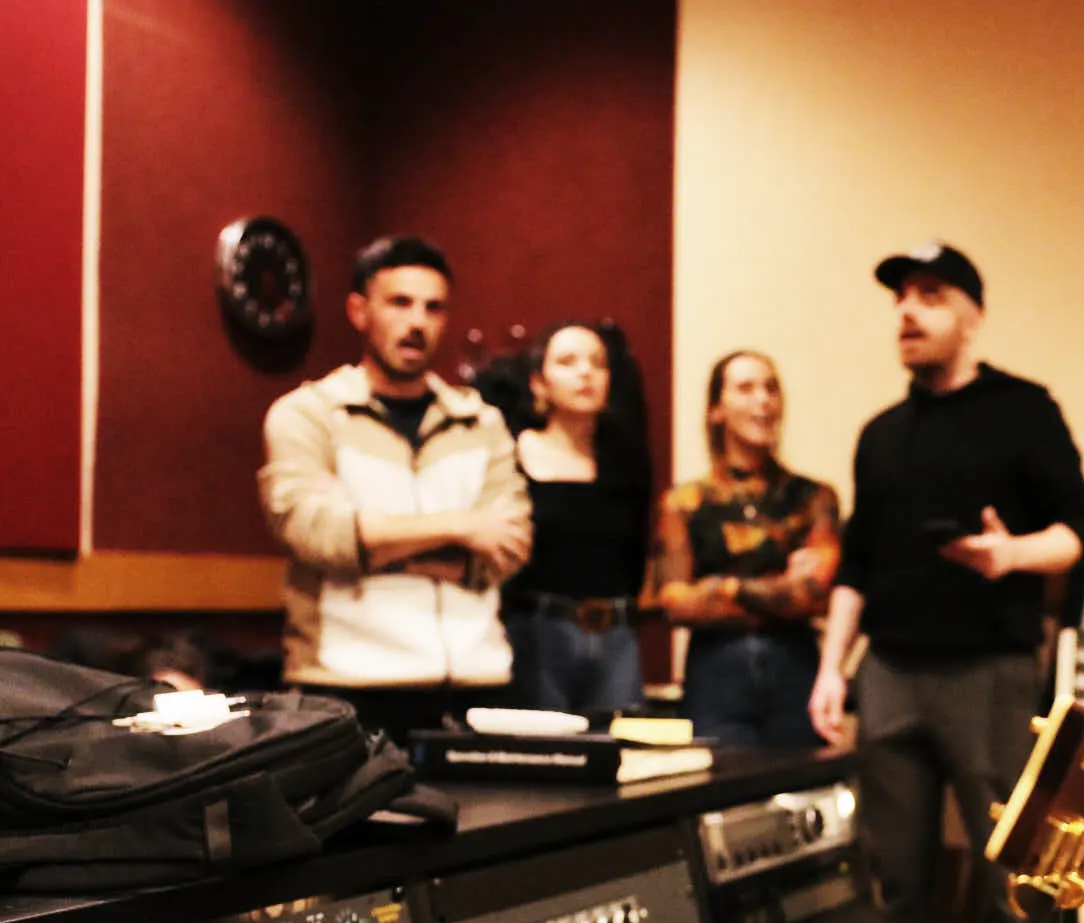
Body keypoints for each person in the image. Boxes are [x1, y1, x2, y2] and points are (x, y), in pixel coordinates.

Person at [809, 243, 1084, 923]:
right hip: (889, 673)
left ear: (972, 313)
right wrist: (833, 670)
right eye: (902, 297)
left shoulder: (1023, 410)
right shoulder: (881, 435)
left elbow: (1080, 530)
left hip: (991, 675)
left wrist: (1008, 556)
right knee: (896, 879)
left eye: (930, 295)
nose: (908, 311)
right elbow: (855, 566)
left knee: (1018, 872)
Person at [259, 235, 530, 740]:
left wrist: (376, 548)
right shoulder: (308, 414)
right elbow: (318, 533)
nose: (417, 322)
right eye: (400, 303)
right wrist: (461, 526)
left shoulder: (481, 422)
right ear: (359, 312)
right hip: (347, 686)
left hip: (476, 681)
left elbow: (509, 546)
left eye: (433, 307)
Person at [651, 350, 839, 747]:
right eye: (746, 388)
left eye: (771, 387)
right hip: (717, 672)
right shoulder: (685, 502)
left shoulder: (813, 498)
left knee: (802, 791)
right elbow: (674, 602)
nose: (763, 400)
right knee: (719, 795)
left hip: (796, 666)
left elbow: (812, 595)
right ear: (716, 410)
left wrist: (722, 589)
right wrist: (777, 587)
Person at [500, 320, 653, 713]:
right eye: (568, 362)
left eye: (597, 363)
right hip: (538, 632)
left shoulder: (626, 459)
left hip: (616, 635)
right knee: (543, 756)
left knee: (623, 755)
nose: (585, 372)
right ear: (539, 383)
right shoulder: (513, 451)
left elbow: (637, 556)